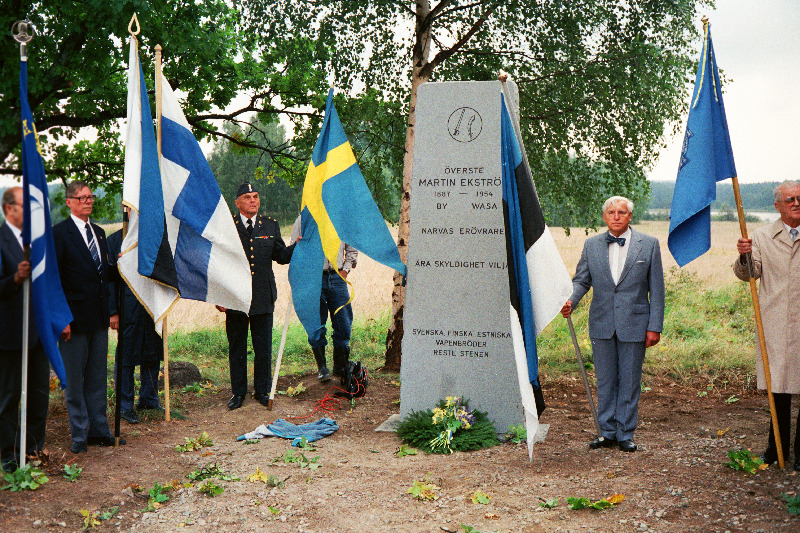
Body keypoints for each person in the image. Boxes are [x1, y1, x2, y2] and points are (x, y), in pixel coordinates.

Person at [560, 196, 664, 452]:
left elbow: (657, 290)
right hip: (602, 322)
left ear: (630, 217)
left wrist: (654, 326)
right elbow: (582, 280)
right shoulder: (592, 244)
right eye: (611, 212)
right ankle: (606, 432)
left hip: (635, 324)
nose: (616, 216)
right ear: (604, 216)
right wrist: (570, 300)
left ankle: (625, 433)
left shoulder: (648, 245)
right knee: (605, 380)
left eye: (621, 212)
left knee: (629, 380)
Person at [734, 180, 800, 469]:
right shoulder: (761, 236)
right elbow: (750, 274)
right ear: (777, 206)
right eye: (789, 200)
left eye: (799, 198)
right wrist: (744, 254)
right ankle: (776, 451)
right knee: (779, 388)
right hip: (776, 323)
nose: (796, 203)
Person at [53, 181, 121, 453]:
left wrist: (121, 265)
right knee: (75, 380)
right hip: (72, 321)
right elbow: (54, 280)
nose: (87, 202)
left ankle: (99, 430)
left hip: (98, 318)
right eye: (81, 198)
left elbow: (103, 275)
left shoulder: (100, 233)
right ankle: (79, 435)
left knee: (96, 377)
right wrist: (61, 319)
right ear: (69, 202)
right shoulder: (58, 234)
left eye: (90, 198)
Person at [217, 182, 294, 410]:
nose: (253, 200)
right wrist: (219, 296)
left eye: (256, 196)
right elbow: (219, 263)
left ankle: (262, 390)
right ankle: (238, 393)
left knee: (263, 347)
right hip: (235, 297)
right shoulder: (227, 226)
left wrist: (298, 246)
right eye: (248, 197)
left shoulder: (270, 225)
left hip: (262, 295)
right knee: (237, 348)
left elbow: (280, 255)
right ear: (238, 202)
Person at [0, 187, 50, 471]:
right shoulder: (1, 239)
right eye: (24, 206)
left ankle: (31, 448)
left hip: (38, 332)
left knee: (38, 394)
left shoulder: (36, 241)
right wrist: (14, 279)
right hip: (9, 334)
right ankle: (7, 453)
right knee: (9, 396)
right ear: (9, 209)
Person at [108, 226, 164, 424]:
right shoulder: (116, 240)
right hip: (127, 306)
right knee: (126, 355)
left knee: (153, 350)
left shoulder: (155, 236)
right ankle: (125, 405)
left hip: (152, 304)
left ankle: (149, 399)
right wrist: (113, 311)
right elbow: (110, 279)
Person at [291, 218, 358, 381]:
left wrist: (345, 271)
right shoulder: (303, 220)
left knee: (343, 323)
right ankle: (322, 368)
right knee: (316, 324)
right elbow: (293, 251)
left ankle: (340, 366)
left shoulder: (341, 219)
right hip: (313, 279)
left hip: (337, 277)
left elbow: (352, 249)